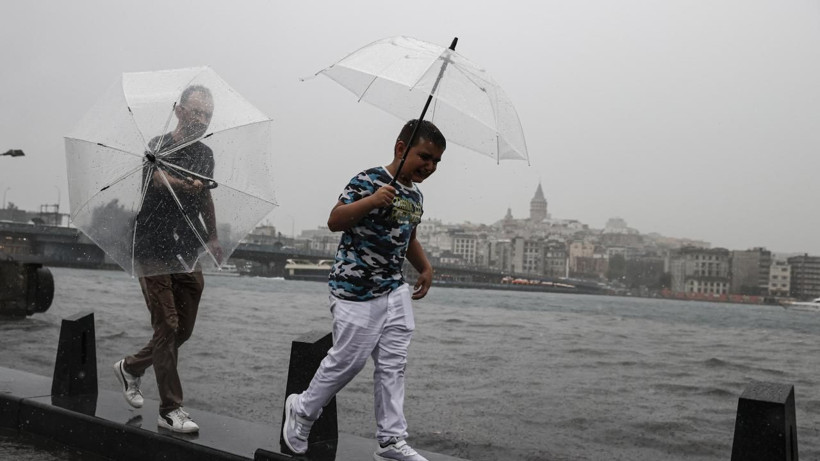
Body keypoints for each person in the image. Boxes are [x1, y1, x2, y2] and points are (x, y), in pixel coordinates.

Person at [283, 119, 445, 461]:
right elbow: (335, 220)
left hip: (393, 289)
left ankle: (390, 440)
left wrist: (425, 267)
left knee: (393, 364)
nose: (429, 167)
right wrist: (372, 200)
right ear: (401, 148)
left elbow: (408, 238)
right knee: (347, 361)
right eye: (424, 157)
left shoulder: (415, 195)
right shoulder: (368, 180)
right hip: (354, 289)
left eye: (436, 162)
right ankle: (302, 410)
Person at [114, 84, 222, 434]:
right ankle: (170, 409)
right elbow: (157, 179)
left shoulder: (205, 154)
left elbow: (206, 196)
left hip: (186, 249)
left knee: (184, 329)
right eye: (196, 112)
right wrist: (183, 183)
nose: (202, 119)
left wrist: (213, 235)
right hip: (152, 246)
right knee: (168, 326)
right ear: (179, 110)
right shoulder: (157, 147)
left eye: (207, 114)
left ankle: (132, 367)